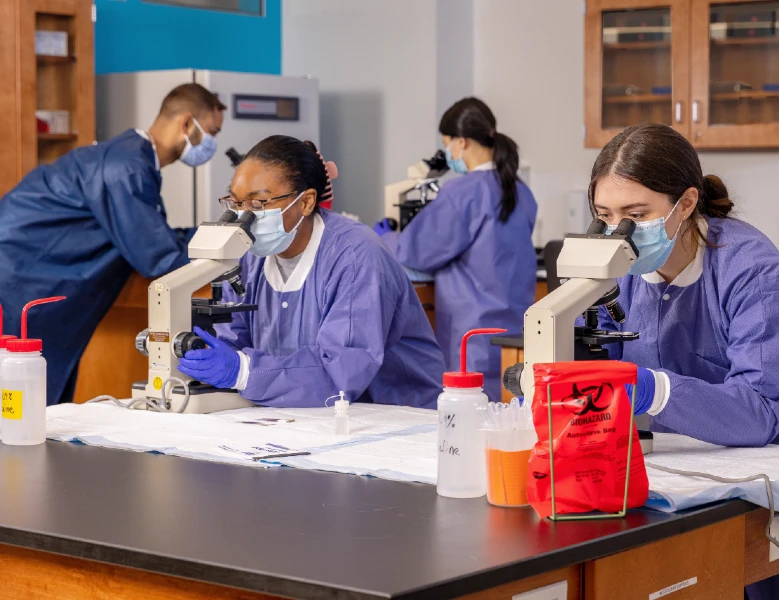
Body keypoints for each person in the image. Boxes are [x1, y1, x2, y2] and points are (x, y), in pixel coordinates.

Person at [587, 123, 779, 600]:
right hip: (673, 474)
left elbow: (762, 406)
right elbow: (596, 355)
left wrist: (654, 390)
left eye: (635, 214)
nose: (617, 231)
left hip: (765, 472)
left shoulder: (748, 265)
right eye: (605, 215)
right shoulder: (615, 267)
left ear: (685, 204)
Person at [176, 136, 445, 408]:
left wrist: (244, 372)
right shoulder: (250, 256)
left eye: (258, 205)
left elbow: (340, 375)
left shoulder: (356, 257)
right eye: (236, 204)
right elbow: (232, 339)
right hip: (301, 416)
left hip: (391, 418)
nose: (245, 217)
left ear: (305, 202)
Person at [0, 83, 226, 405]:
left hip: (29, 280)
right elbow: (157, 257)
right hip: (23, 283)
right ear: (187, 124)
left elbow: (150, 233)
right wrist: (225, 246)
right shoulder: (125, 167)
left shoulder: (130, 160)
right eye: (212, 132)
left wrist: (212, 233)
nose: (213, 144)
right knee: (23, 402)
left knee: (35, 401)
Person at [379, 97, 538, 402]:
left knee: (470, 409)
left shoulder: (462, 193)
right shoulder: (520, 190)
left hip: (473, 328)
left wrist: (385, 237)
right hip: (514, 328)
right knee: (506, 410)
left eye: (448, 144)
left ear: (461, 142)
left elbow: (415, 251)